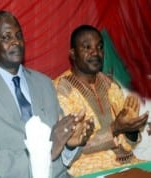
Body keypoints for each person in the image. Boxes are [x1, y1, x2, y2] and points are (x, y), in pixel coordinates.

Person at [0, 10, 93, 178]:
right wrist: (44, 152)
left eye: (18, 35)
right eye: (6, 37)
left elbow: (60, 152)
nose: (16, 42)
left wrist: (70, 144)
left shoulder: (44, 83)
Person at [55, 24, 149, 176]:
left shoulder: (111, 85)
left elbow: (129, 144)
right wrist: (115, 129)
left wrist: (131, 130)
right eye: (87, 47)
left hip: (129, 163)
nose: (95, 53)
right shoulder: (61, 90)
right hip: (89, 169)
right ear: (72, 54)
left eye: (99, 47)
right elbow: (74, 148)